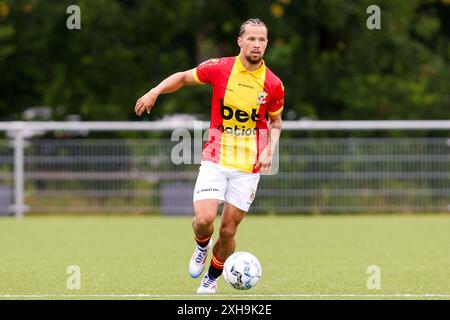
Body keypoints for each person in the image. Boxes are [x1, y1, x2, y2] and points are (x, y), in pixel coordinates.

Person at [134, 18, 284, 294]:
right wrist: (155, 91)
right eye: (251, 38)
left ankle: (211, 279)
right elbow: (181, 77)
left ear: (266, 43)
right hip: (216, 155)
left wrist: (269, 149)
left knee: (228, 231)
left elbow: (275, 123)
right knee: (204, 220)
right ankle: (201, 247)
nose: (256, 44)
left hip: (248, 166)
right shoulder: (220, 68)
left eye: (262, 39)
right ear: (240, 41)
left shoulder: (273, 84)